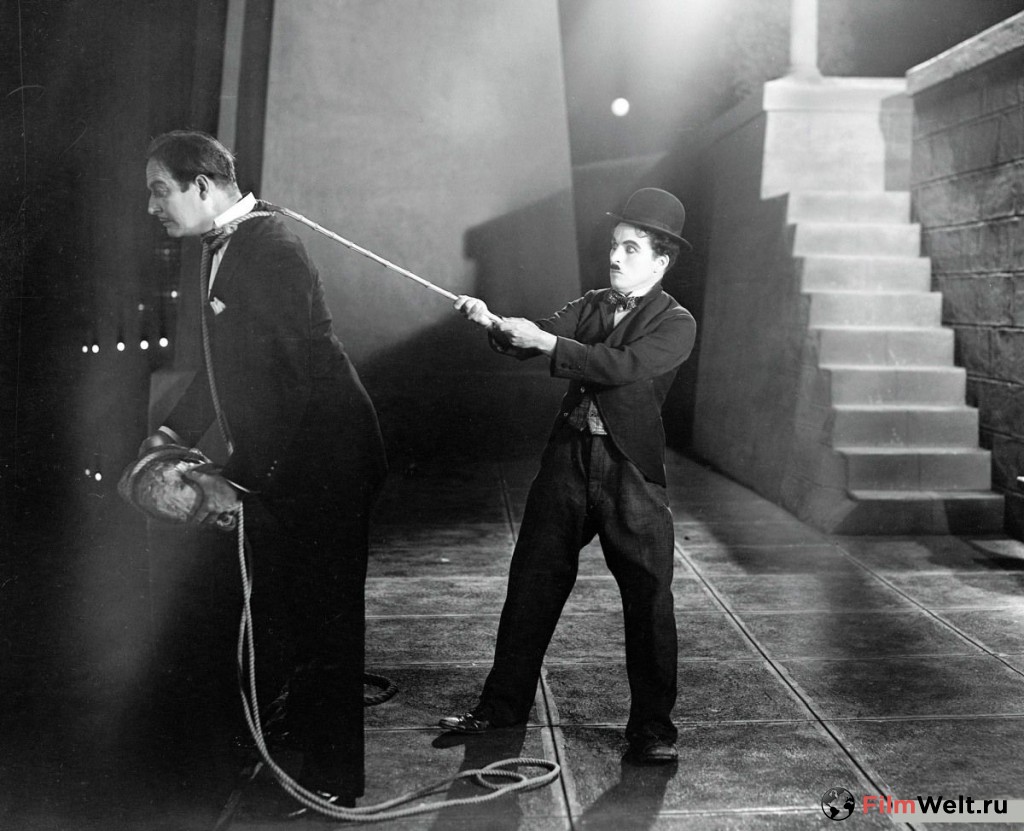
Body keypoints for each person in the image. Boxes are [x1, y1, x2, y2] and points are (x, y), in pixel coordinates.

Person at [139, 130, 387, 805]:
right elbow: (225, 368)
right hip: (292, 456)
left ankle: (334, 784)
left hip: (330, 457)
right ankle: (295, 741)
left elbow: (294, 383)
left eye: (159, 191)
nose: (152, 207)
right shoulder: (225, 244)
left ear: (201, 185)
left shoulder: (270, 247)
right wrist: (168, 432)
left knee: (329, 618)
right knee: (292, 608)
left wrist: (237, 476)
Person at [443, 188, 697, 764]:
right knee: (531, 582)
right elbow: (534, 335)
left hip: (630, 471)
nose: (616, 257)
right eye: (614, 245)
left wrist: (547, 341)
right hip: (568, 462)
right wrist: (494, 323)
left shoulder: (676, 323)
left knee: (649, 601)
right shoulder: (591, 304)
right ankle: (501, 706)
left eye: (631, 249)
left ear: (660, 262)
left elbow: (620, 367)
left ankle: (652, 730)